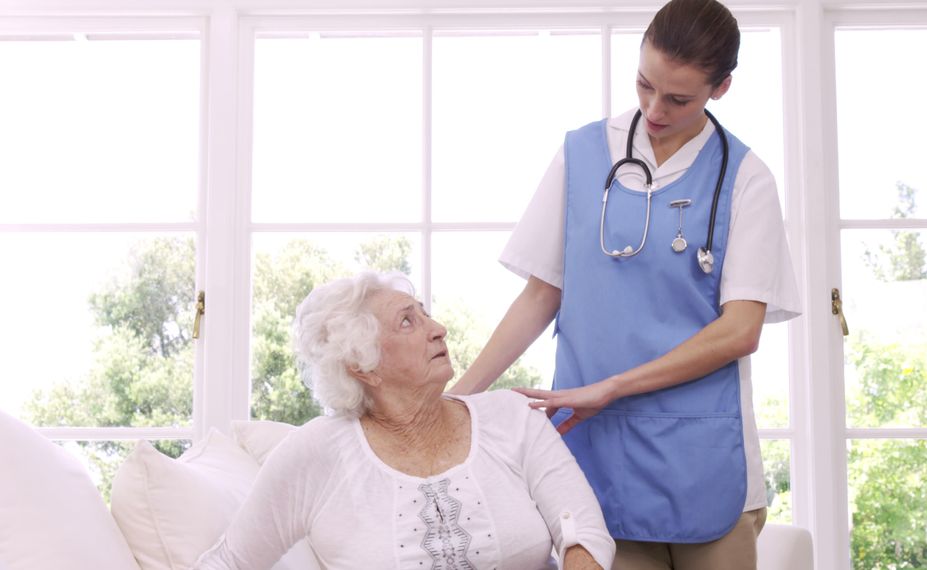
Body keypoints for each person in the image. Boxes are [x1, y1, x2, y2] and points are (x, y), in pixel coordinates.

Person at [449, 0, 802, 568]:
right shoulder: (581, 153)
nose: (654, 108)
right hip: (594, 457)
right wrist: (457, 398)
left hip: (702, 458)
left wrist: (610, 388)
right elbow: (542, 294)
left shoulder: (746, 177)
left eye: (679, 98)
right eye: (644, 84)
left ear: (722, 88)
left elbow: (740, 330)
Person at [195, 271, 615, 570]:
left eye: (425, 313)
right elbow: (230, 561)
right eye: (408, 321)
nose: (439, 329)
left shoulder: (511, 416)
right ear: (364, 365)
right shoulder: (316, 453)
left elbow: (584, 533)